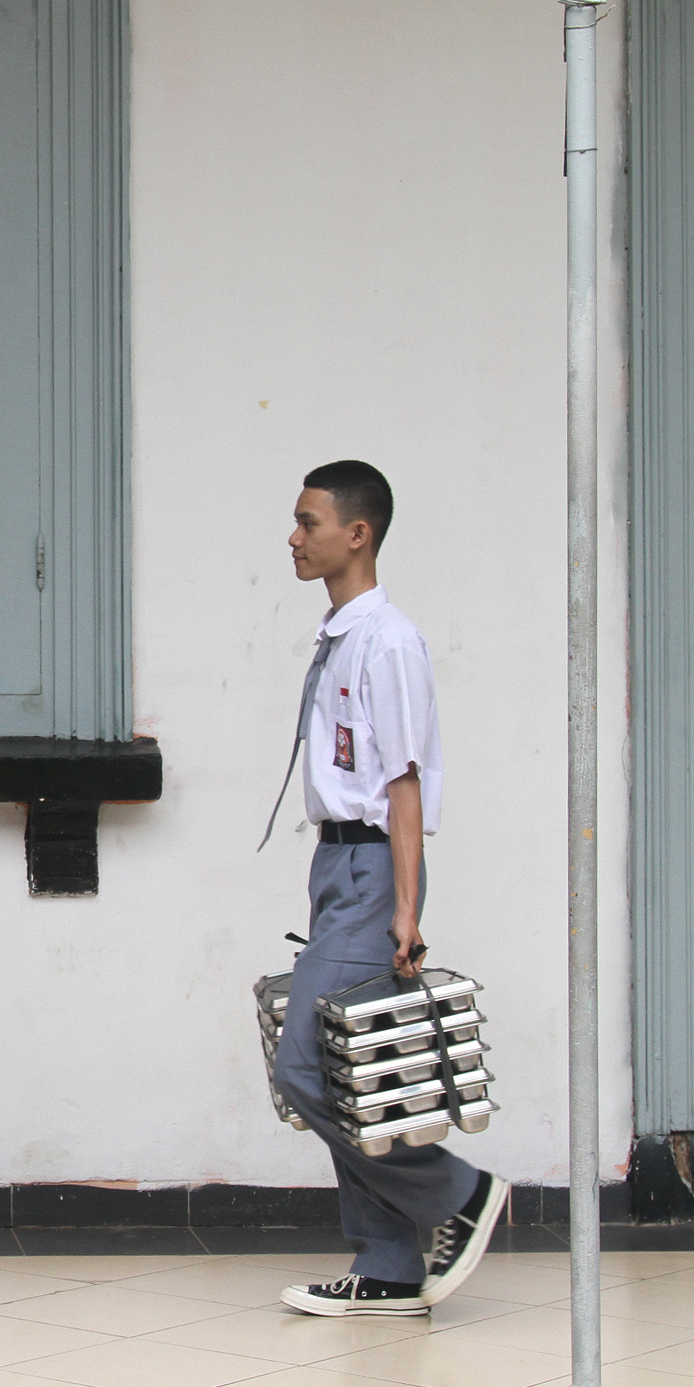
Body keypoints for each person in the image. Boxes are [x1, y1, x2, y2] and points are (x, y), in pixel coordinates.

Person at [264, 461, 506, 1318]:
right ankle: (391, 1264)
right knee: (346, 1066)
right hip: (338, 864)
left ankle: (458, 1196)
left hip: (372, 866)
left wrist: (404, 908)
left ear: (355, 533)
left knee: (303, 1068)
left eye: (308, 522)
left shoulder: (387, 639)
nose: (293, 538)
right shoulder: (342, 632)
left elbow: (402, 780)